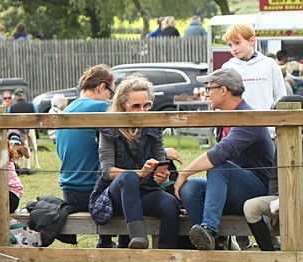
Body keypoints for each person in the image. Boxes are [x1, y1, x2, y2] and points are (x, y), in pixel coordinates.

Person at [175, 68, 277, 251]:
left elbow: (220, 153)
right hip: (233, 188)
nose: (207, 93)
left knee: (219, 167)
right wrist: (184, 180)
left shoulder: (248, 117)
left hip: (257, 190)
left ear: (223, 90)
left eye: (209, 88)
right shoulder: (225, 117)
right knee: (189, 188)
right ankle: (208, 242)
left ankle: (210, 229)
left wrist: (183, 173)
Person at [87, 76, 182, 249]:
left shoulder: (154, 126)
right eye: (136, 106)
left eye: (147, 105)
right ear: (123, 104)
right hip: (113, 194)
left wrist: (161, 175)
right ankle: (138, 239)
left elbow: (160, 162)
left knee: (169, 203)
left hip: (145, 190)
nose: (142, 111)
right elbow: (107, 171)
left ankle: (167, 254)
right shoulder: (109, 126)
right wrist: (140, 173)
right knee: (129, 177)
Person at [54, 65, 115, 217]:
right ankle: (122, 240)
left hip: (68, 192)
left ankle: (107, 241)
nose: (111, 98)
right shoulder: (103, 107)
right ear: (101, 87)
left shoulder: (67, 110)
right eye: (111, 92)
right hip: (93, 193)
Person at [219, 23, 288, 111]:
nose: (233, 49)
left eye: (237, 43)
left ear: (251, 41)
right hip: (237, 122)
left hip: (267, 121)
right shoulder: (227, 67)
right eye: (230, 45)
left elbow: (280, 95)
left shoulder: (270, 64)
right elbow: (222, 98)